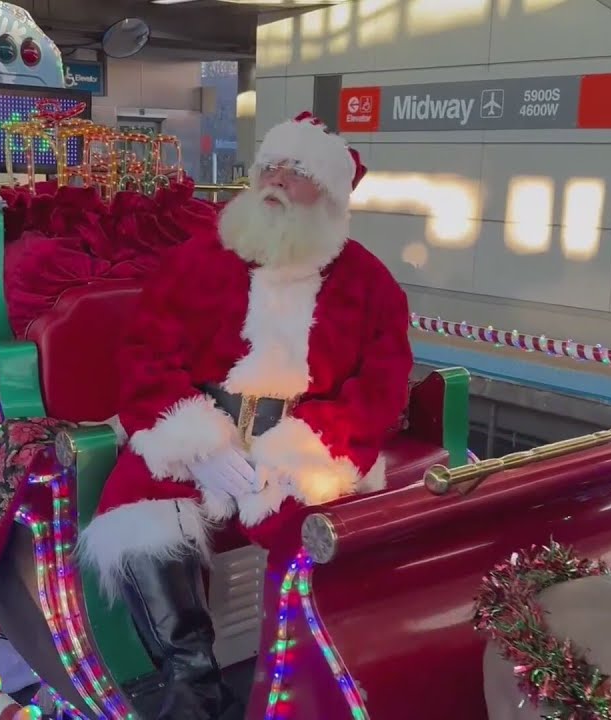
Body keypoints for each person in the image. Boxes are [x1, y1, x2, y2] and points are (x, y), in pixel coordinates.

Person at [76, 112, 414, 719]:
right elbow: (146, 354)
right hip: (199, 428)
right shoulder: (198, 258)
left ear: (331, 195)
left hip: (301, 445)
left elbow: (382, 387)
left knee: (321, 540)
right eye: (270, 167)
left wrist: (305, 449)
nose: (276, 181)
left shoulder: (369, 282)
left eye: (297, 171)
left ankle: (305, 682)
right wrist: (199, 441)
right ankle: (192, 681)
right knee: (137, 517)